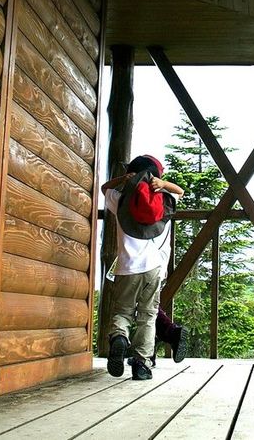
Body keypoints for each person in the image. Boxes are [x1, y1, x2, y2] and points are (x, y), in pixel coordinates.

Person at [102, 155, 185, 380]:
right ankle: (141, 365)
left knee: (123, 311)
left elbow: (104, 188)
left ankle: (119, 338)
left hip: (127, 268)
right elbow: (180, 192)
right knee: (148, 316)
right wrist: (163, 184)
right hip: (154, 268)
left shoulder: (118, 199)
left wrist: (124, 179)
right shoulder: (166, 198)